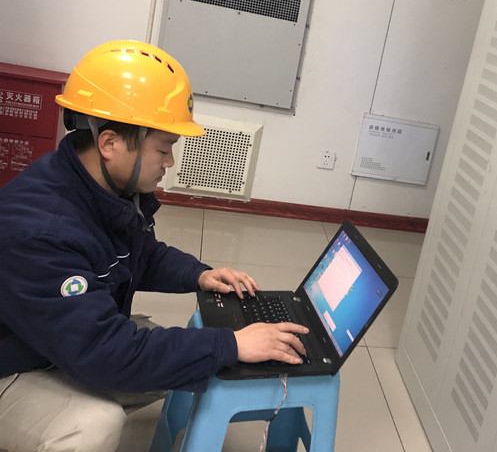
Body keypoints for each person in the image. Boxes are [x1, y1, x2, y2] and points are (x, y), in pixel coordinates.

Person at [0, 41, 309, 452]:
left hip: (53, 335)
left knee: (171, 353)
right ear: (109, 143)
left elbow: (140, 255)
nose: (169, 162)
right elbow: (105, 351)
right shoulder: (43, 231)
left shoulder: (102, 190)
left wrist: (200, 274)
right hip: (12, 364)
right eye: (163, 149)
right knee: (93, 424)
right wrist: (233, 344)